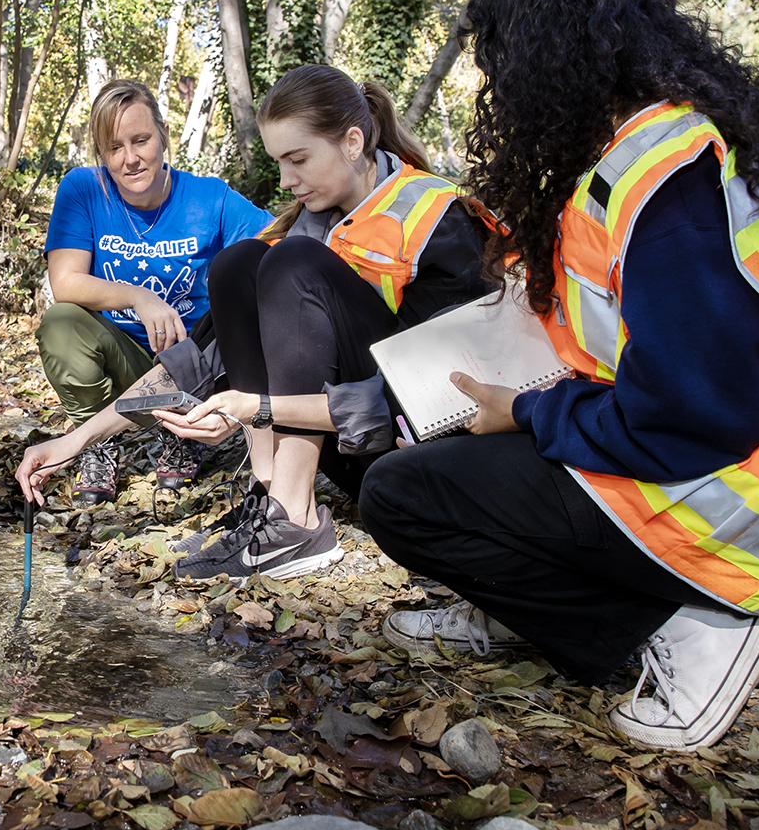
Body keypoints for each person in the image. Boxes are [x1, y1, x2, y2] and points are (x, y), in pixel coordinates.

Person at [362, 0, 759, 751]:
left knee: (403, 498)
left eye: (497, 59)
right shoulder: (665, 151)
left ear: (543, 57)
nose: (493, 86)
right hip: (729, 461)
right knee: (401, 457)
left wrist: (531, 412)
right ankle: (537, 611)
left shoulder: (670, 185)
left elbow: (694, 416)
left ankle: (692, 625)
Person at [142, 65, 493, 581]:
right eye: (279, 162)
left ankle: (295, 519)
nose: (285, 181)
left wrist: (260, 407)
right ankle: (271, 500)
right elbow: (204, 359)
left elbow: (437, 400)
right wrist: (80, 438)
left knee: (291, 263)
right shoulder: (314, 222)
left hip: (415, 450)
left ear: (353, 141)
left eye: (297, 159)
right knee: (238, 263)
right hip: (345, 441)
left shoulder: (439, 218)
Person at [31, 80, 272, 505]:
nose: (130, 159)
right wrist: (139, 298)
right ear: (101, 155)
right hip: (126, 358)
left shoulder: (209, 197)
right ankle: (96, 442)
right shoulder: (84, 190)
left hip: (196, 365)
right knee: (60, 321)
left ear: (163, 134)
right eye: (114, 148)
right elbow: (64, 282)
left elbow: (276, 245)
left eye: (141, 140)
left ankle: (182, 432)